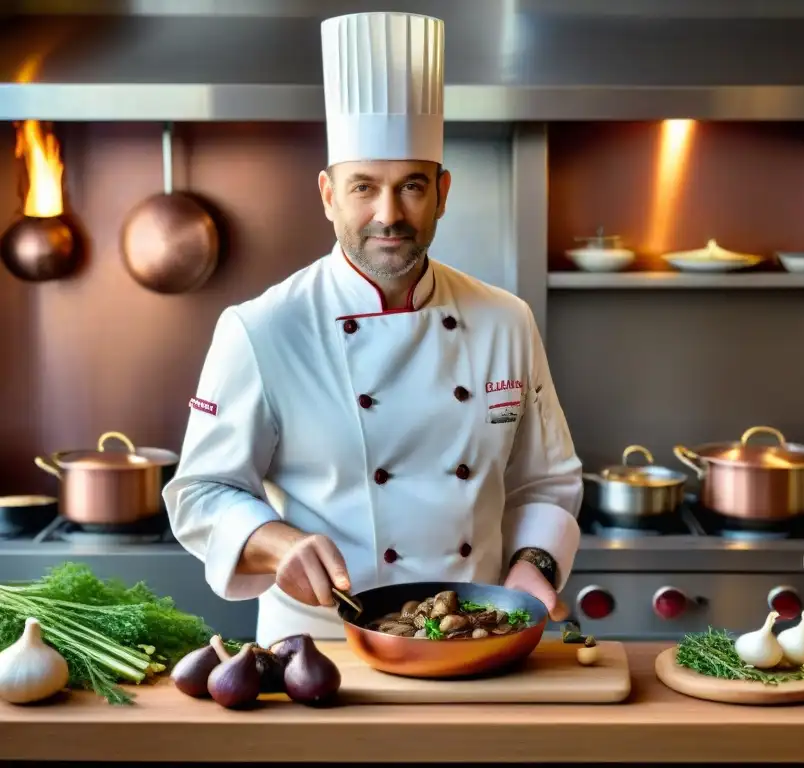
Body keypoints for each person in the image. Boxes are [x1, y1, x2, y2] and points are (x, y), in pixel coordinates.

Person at [162, 11, 584, 647]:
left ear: (442, 192)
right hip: (323, 647)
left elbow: (546, 484)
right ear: (329, 195)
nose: (390, 215)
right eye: (365, 187)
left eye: (411, 186)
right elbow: (200, 492)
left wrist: (534, 567)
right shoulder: (262, 328)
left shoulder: (507, 320)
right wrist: (277, 544)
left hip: (477, 641)